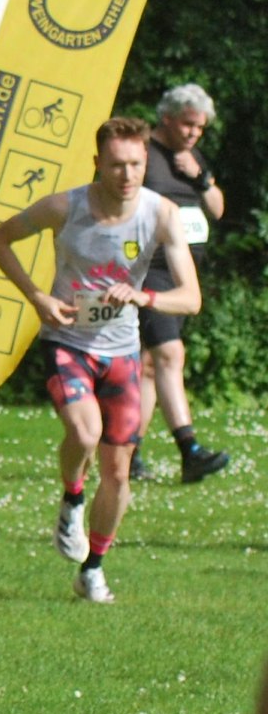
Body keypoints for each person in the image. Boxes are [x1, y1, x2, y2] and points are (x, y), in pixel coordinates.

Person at [0, 117, 199, 603]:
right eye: (117, 165)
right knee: (84, 434)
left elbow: (191, 298)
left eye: (136, 165)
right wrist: (37, 296)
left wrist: (144, 298)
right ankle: (73, 494)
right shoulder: (65, 206)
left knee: (119, 472)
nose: (127, 175)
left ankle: (93, 568)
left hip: (121, 350)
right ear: (98, 163)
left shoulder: (161, 213)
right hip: (68, 342)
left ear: (146, 162)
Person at [134, 84, 228, 484]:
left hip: (184, 272)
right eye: (188, 125)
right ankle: (190, 450)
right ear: (167, 117)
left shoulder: (192, 158)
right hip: (150, 269)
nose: (194, 133)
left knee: (150, 365)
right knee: (170, 354)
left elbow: (218, 209)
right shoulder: (142, 153)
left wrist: (202, 178)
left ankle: (129, 452)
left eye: (200, 128)